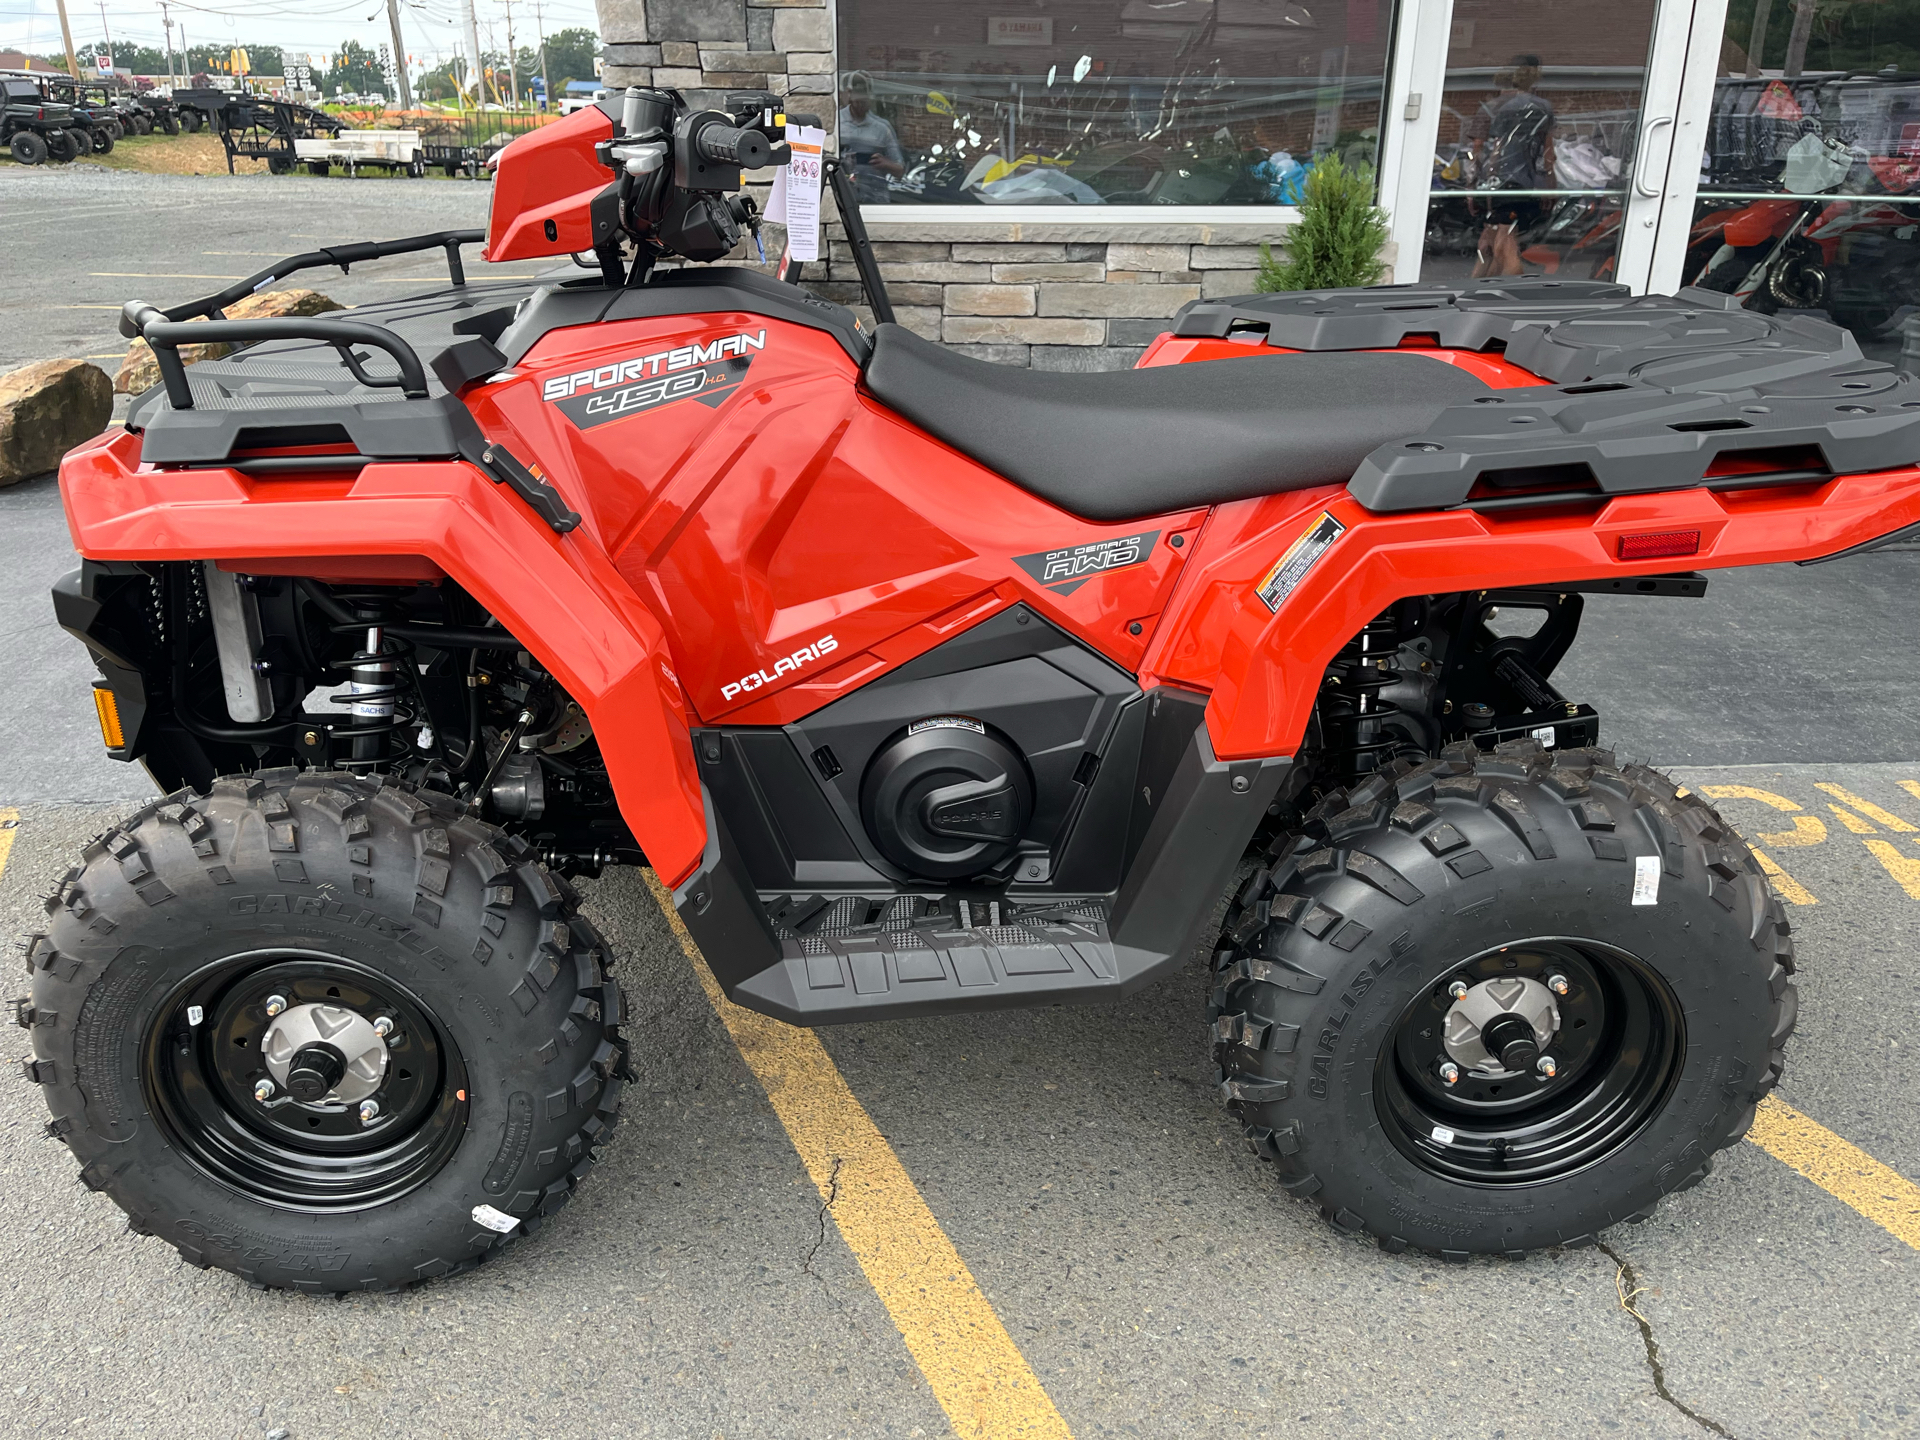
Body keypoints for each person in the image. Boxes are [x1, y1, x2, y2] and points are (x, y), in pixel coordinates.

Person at [1468, 55, 1555, 276]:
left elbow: (1477, 152)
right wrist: (1549, 185)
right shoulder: (1542, 107)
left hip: (1496, 184)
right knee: (1496, 244)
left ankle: (1494, 292)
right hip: (1522, 183)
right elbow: (1548, 152)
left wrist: (1472, 189)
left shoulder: (1491, 108)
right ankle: (1491, 291)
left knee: (1497, 244)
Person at [837, 73, 905, 205]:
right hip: (844, 195)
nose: (862, 104)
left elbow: (900, 170)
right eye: (859, 100)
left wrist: (886, 163)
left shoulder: (882, 128)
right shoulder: (836, 123)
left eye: (866, 99)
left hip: (876, 198)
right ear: (849, 97)